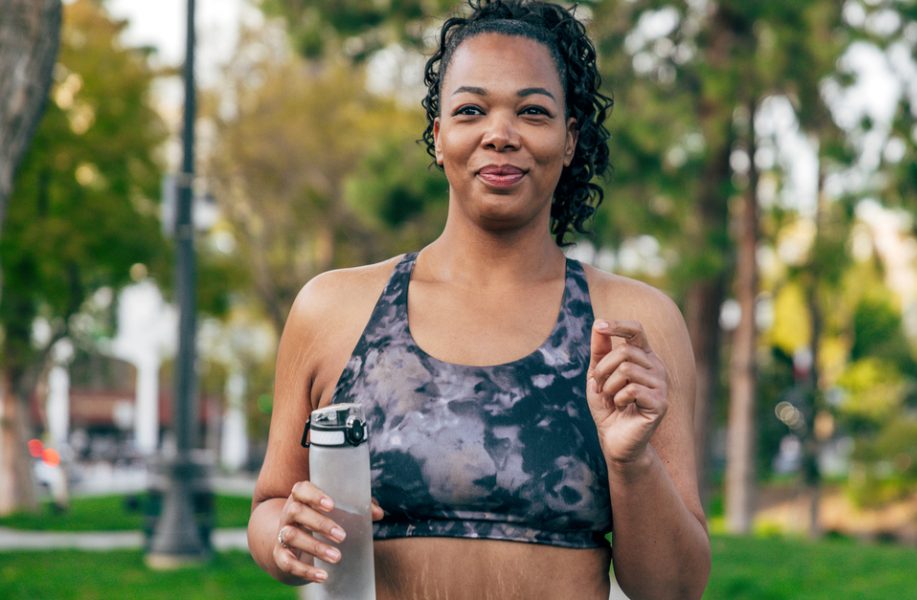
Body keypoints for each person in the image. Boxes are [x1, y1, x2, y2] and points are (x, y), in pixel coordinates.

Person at [247, 1, 711, 598]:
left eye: (533, 112)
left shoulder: (631, 327)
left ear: (569, 140)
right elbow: (268, 505)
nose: (501, 134)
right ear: (439, 137)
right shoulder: (332, 309)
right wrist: (284, 534)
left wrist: (632, 462)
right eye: (471, 110)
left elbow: (674, 590)